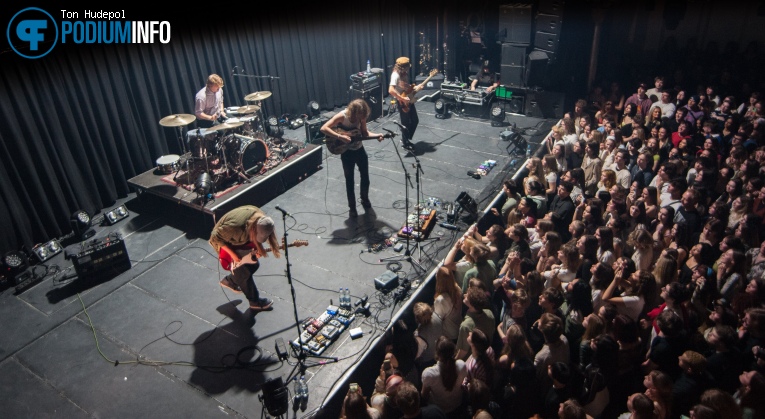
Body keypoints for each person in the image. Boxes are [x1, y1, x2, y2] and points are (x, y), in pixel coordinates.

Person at [208, 205, 281, 312]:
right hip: (225, 242)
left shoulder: (262, 220)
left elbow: (257, 238)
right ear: (253, 228)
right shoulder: (236, 227)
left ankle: (230, 281)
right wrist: (233, 254)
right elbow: (215, 236)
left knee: (253, 265)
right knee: (243, 272)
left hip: (241, 239)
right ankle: (255, 302)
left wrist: (258, 248)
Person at [321, 99, 384, 217]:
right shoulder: (342, 116)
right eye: (360, 116)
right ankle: (352, 208)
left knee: (365, 177)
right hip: (347, 153)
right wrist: (340, 136)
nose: (362, 119)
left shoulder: (362, 117)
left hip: (359, 150)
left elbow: (365, 133)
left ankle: (365, 199)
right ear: (353, 112)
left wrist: (377, 136)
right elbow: (324, 128)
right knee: (349, 181)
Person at [389, 57, 418, 149]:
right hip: (402, 101)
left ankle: (406, 139)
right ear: (403, 67)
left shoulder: (404, 74)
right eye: (407, 67)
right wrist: (402, 98)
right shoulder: (395, 75)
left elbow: (405, 86)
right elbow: (390, 90)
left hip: (408, 97)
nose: (408, 69)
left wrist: (414, 87)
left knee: (415, 120)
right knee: (405, 123)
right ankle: (405, 142)